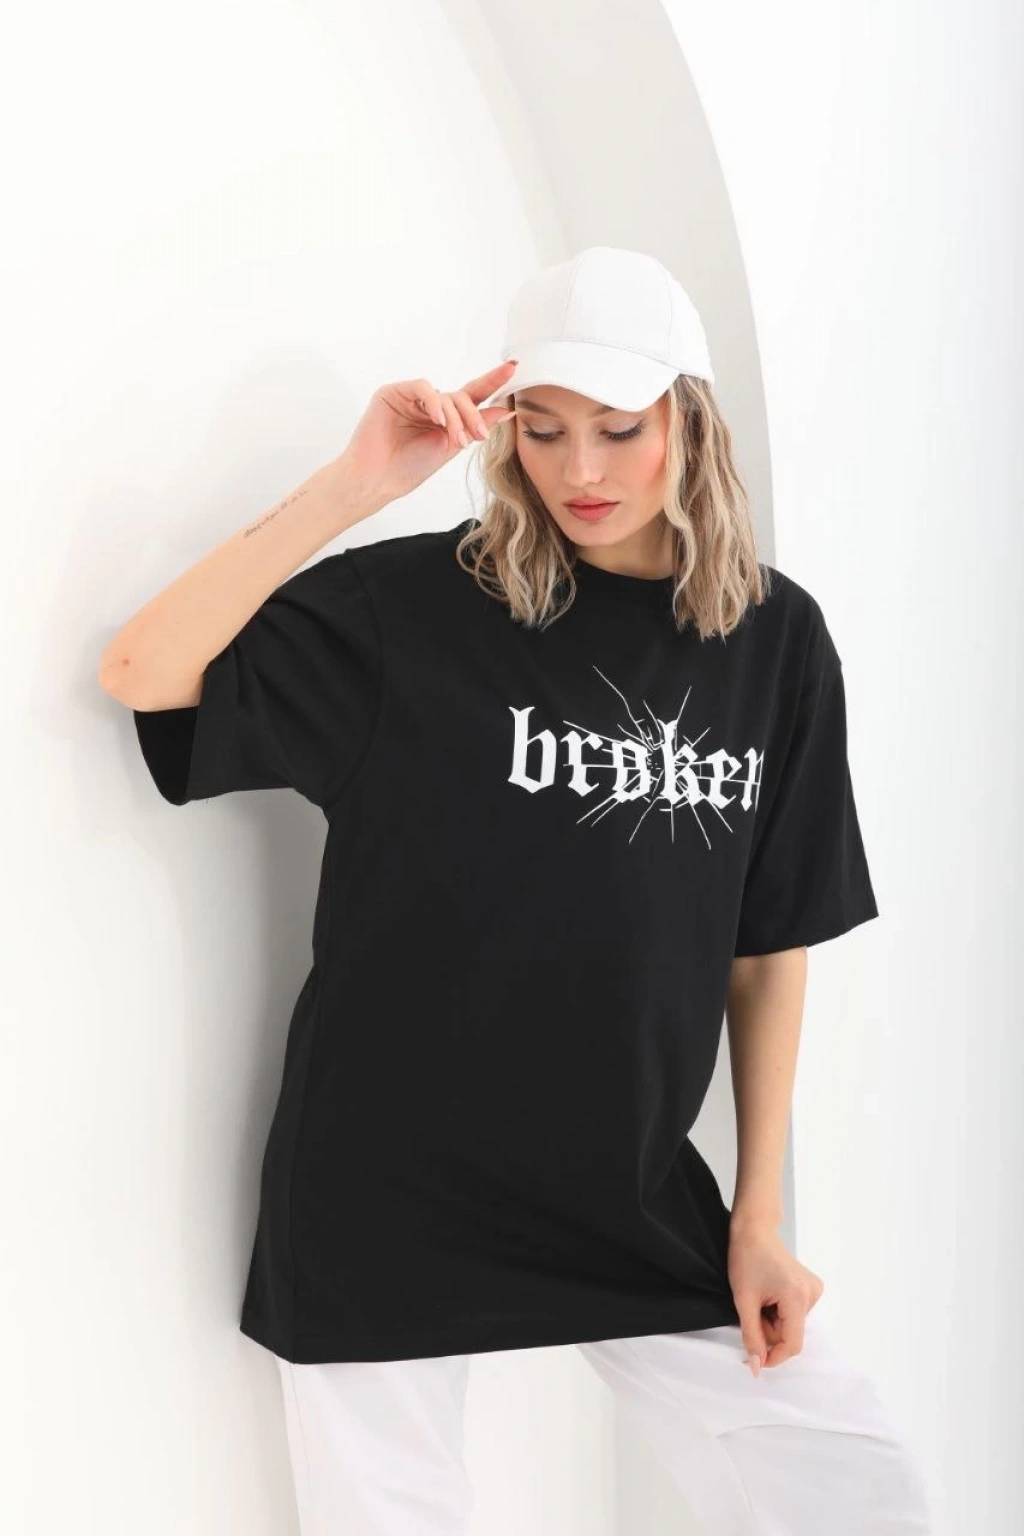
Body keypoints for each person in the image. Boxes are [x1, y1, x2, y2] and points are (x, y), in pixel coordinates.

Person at [101, 246, 932, 1533]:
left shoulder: (773, 642)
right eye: (541, 430)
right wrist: (357, 486)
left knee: (854, 1482)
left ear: (689, 422)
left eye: (618, 429)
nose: (579, 469)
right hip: (383, 1186)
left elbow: (770, 939)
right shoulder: (415, 608)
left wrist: (757, 1214)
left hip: (626, 1185)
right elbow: (143, 670)